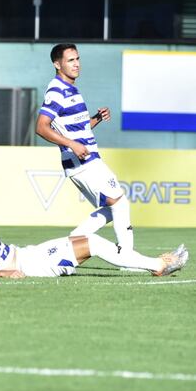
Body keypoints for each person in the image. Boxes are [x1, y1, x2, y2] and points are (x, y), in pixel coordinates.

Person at [0, 189, 188, 278]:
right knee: (92, 242)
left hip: (28, 255)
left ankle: (142, 262)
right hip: (28, 264)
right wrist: (4, 273)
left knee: (83, 238)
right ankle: (157, 265)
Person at [35, 43, 138, 260]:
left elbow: (78, 129)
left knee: (112, 209)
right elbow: (41, 127)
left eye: (77, 59)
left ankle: (71, 242)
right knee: (119, 202)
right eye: (70, 60)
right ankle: (127, 257)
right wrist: (71, 144)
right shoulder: (57, 90)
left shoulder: (72, 89)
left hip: (85, 159)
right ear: (57, 64)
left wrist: (97, 118)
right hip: (83, 161)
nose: (76, 64)